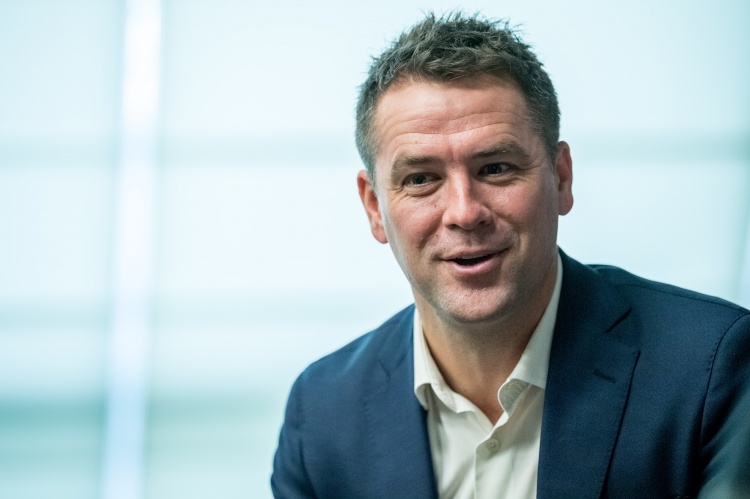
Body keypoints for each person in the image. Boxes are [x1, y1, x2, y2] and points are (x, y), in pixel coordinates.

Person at [272, 12, 750, 499]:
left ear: (561, 178)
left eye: (496, 168)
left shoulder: (713, 368)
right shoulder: (320, 418)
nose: (464, 212)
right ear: (375, 207)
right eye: (421, 179)